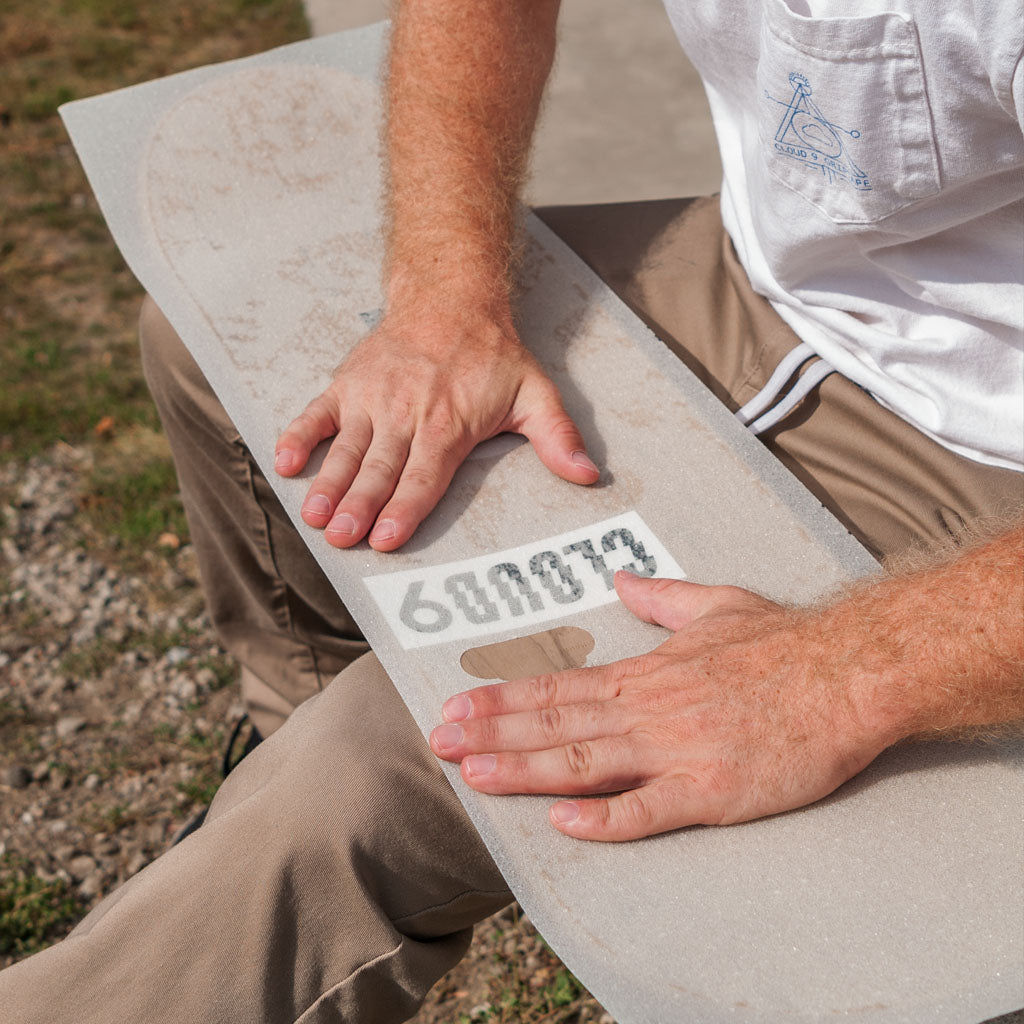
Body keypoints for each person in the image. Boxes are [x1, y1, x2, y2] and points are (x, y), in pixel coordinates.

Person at [1, 0, 1021, 1020]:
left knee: (371, 774)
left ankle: (290, 862)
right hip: (766, 280)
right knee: (232, 350)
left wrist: (831, 673)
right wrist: (445, 299)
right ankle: (269, 813)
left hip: (986, 456)